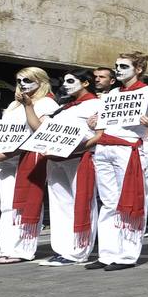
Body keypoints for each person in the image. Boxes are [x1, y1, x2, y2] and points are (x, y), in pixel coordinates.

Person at [91, 52, 148, 271]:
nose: (119, 69)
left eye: (124, 66)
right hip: (104, 147)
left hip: (128, 148)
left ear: (138, 69)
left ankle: (127, 255)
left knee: (130, 202)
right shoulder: (112, 93)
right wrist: (93, 121)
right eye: (117, 66)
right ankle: (107, 254)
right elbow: (102, 123)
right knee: (108, 203)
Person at [0, 67, 57, 264]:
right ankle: (7, 248)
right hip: (6, 161)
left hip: (27, 160)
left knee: (24, 205)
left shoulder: (46, 103)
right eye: (18, 80)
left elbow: (41, 133)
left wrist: (9, 152)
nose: (22, 84)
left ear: (40, 81)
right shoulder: (13, 104)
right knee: (7, 206)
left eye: (27, 80)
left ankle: (22, 250)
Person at [41, 70, 103, 265]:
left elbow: (101, 135)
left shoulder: (98, 104)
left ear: (85, 83)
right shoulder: (63, 107)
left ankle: (79, 251)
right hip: (55, 159)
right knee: (60, 205)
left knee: (82, 202)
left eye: (71, 81)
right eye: (64, 81)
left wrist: (80, 148)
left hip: (80, 159)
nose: (66, 85)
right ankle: (63, 250)